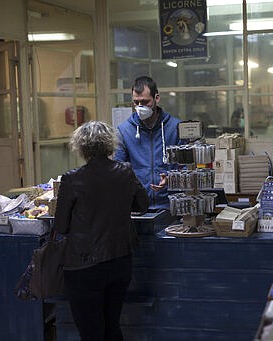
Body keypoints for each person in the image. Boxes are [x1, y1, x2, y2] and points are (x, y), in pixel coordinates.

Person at [53, 121, 149, 341]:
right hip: (119, 261)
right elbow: (142, 206)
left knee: (91, 332)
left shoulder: (72, 179)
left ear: (81, 147)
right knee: (112, 327)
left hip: (84, 266)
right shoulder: (125, 172)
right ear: (109, 145)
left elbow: (61, 226)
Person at [114, 76, 183, 210]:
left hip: (171, 205)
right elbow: (118, 169)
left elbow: (187, 166)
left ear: (156, 98)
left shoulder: (175, 128)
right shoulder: (124, 131)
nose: (140, 107)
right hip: (138, 205)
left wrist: (171, 178)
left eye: (145, 102)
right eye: (136, 102)